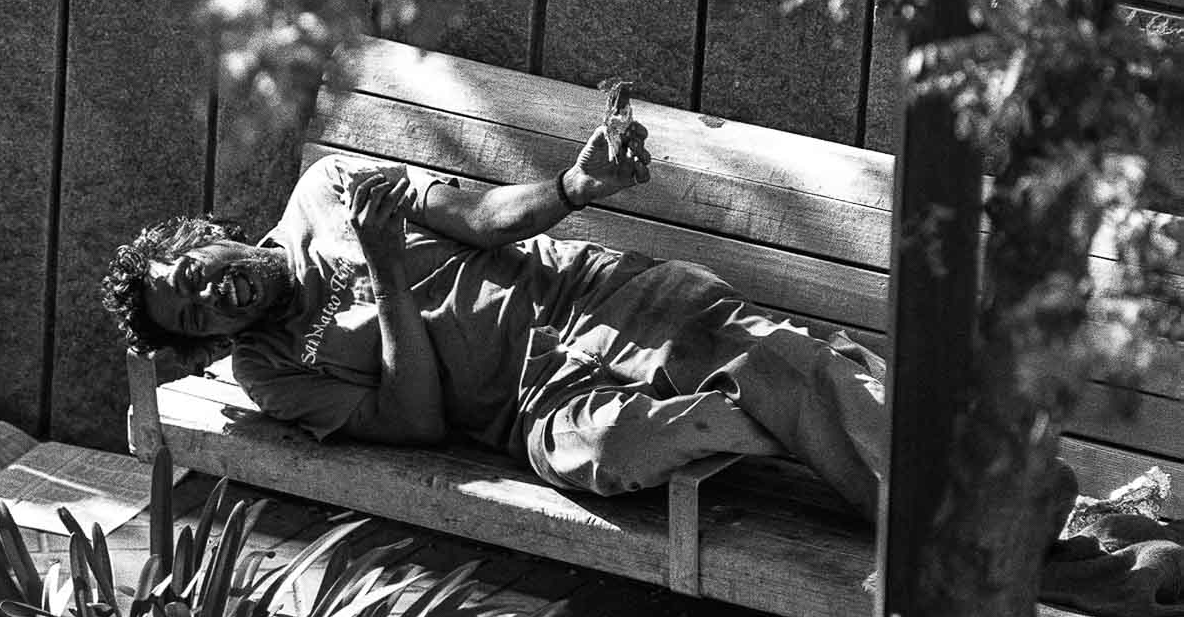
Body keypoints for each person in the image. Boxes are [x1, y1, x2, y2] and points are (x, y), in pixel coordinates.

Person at [101, 118, 888, 518]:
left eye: (195, 277)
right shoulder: (269, 372)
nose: (211, 299)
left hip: (589, 301)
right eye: (194, 319)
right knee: (614, 450)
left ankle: (932, 541)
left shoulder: (327, 188)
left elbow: (480, 218)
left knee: (770, 373)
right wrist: (382, 266)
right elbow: (413, 423)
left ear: (205, 237)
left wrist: (574, 186)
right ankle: (793, 383)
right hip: (529, 406)